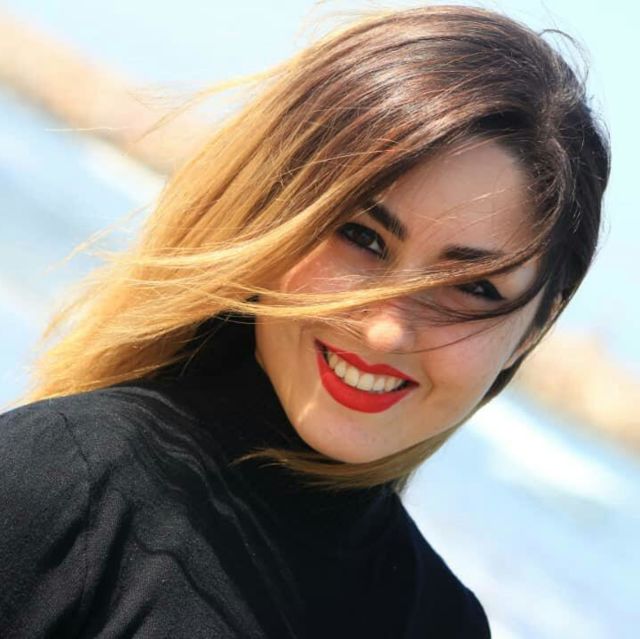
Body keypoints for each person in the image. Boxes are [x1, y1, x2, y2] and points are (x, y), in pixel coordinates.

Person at [0, 5, 609, 638]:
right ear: (274, 209)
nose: (386, 331)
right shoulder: (64, 484)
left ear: (534, 329)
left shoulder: (447, 625)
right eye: (362, 237)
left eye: (472, 288)